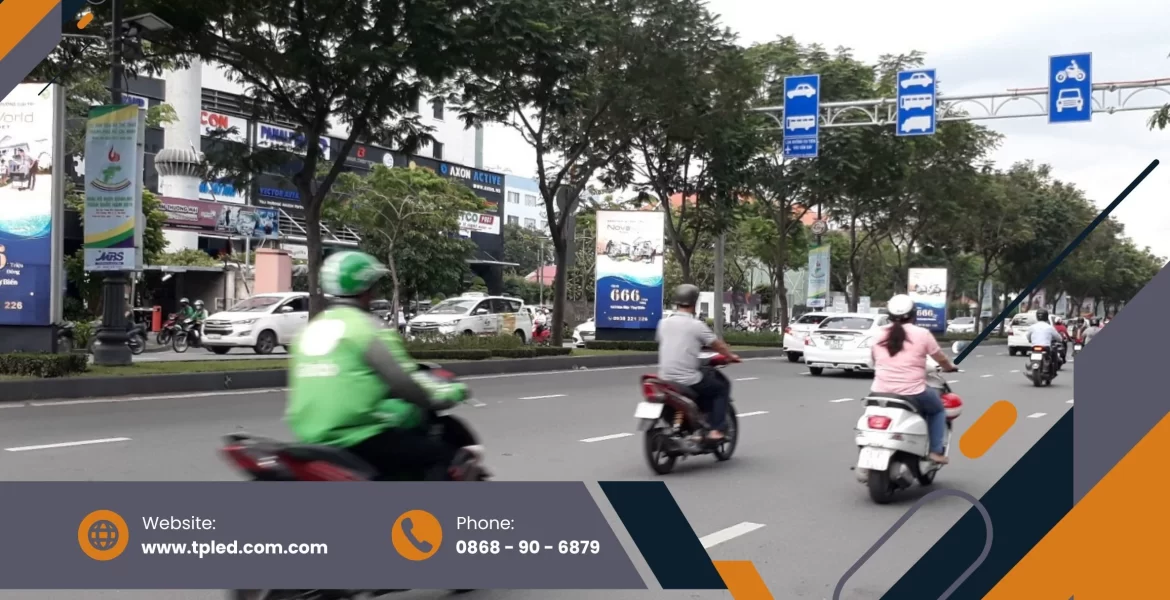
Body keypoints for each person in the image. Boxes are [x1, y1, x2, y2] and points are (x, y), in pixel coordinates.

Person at [286, 250, 469, 481]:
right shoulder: (368, 329)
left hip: (310, 438)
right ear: (368, 289)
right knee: (443, 457)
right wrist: (443, 396)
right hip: (358, 437)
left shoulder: (307, 331)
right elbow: (404, 382)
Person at [870, 294, 959, 465]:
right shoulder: (922, 334)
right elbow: (940, 358)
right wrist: (949, 367)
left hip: (879, 391)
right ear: (914, 314)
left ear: (889, 315)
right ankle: (935, 451)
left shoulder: (878, 334)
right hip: (913, 392)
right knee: (938, 410)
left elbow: (874, 360)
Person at [655, 283, 740, 444]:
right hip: (687, 379)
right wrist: (730, 356)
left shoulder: (663, 323)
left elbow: (672, 343)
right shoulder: (696, 325)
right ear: (695, 302)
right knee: (721, 388)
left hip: (664, 378)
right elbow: (718, 345)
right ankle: (716, 430)